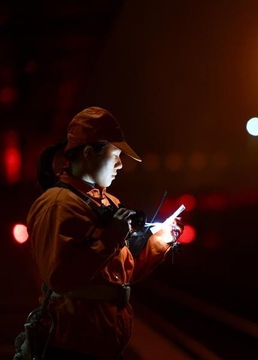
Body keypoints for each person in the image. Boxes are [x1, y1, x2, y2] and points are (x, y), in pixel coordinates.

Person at [19, 106, 183, 360]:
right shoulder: (58, 204)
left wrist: (159, 242)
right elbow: (60, 277)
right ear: (88, 153)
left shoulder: (107, 202)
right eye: (115, 154)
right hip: (70, 347)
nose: (120, 164)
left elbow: (119, 277)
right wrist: (109, 238)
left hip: (102, 345)